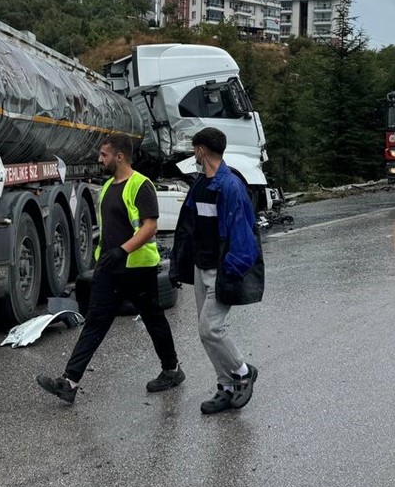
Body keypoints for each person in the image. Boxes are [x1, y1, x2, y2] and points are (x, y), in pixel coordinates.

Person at [36, 133, 184, 405]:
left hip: (138, 268)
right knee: (94, 324)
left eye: (104, 155)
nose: (99, 159)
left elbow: (150, 227)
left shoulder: (141, 185)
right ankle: (69, 382)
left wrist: (123, 251)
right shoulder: (107, 187)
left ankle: (172, 370)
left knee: (153, 319)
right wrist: (105, 257)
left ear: (120, 156)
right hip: (109, 269)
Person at [169, 127, 260, 415]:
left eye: (194, 150)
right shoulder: (199, 186)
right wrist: (179, 264)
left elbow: (245, 236)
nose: (193, 155)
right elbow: (188, 228)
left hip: (221, 271)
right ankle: (225, 388)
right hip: (201, 268)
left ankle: (243, 372)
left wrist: (231, 272)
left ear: (201, 151)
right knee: (205, 332)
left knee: (211, 328)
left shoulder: (231, 186)